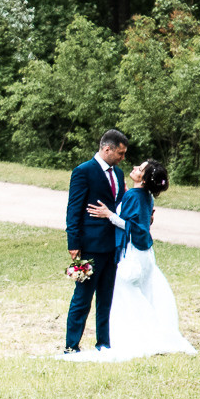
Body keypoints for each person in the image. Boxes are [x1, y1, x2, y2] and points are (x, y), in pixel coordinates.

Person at [104, 158, 195, 360]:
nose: (135, 168)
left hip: (133, 252)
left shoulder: (134, 196)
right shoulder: (146, 197)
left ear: (144, 179)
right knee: (139, 290)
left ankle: (141, 334)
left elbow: (131, 225)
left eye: (140, 168)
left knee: (125, 290)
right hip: (145, 253)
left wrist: (109, 214)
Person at [60, 128, 127, 356]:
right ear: (106, 149)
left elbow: (118, 207)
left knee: (106, 298)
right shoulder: (83, 171)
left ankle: (103, 344)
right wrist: (74, 242)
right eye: (120, 153)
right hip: (89, 246)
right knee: (83, 297)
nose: (122, 158)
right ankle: (72, 346)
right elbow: (74, 208)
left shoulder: (118, 174)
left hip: (112, 247)